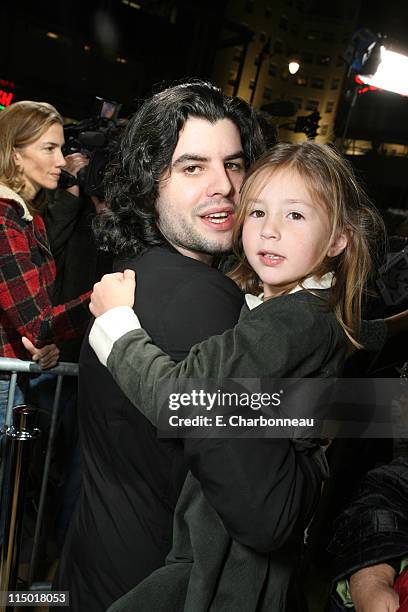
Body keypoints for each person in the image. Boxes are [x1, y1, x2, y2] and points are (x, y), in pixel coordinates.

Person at [88, 140, 384, 612]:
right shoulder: (287, 309)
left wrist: (116, 326)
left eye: (295, 216)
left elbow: (180, 402)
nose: (269, 232)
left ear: (338, 239)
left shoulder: (294, 319)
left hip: (229, 563)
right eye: (257, 212)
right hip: (218, 546)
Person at [0, 100, 91, 428]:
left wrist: (43, 348)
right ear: (16, 154)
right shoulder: (4, 216)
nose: (61, 161)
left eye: (62, 148)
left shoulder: (27, 214)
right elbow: (38, 323)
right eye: (49, 148)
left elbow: (33, 327)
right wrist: (102, 301)